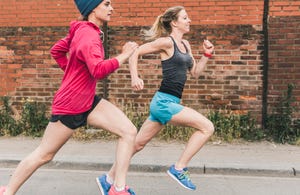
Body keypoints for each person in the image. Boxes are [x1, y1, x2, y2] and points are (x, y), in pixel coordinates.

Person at [0, 0, 138, 195]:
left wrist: (72, 74)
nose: (111, 8)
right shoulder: (88, 36)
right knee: (44, 154)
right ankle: (8, 191)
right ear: (92, 8)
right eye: (106, 4)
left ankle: (117, 188)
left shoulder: (82, 31)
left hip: (88, 100)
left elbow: (56, 51)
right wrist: (125, 55)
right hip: (71, 105)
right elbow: (98, 70)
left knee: (129, 132)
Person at [96, 5, 215, 193]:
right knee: (207, 127)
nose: (189, 20)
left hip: (170, 102)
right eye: (185, 18)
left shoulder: (186, 45)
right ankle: (179, 168)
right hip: (163, 104)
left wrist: (207, 54)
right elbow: (135, 52)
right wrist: (135, 77)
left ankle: (108, 178)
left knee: (137, 144)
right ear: (174, 23)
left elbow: (195, 72)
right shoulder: (166, 42)